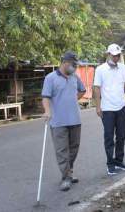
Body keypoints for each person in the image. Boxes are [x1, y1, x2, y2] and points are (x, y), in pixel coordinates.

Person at [42, 52, 86, 191]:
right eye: (73, 65)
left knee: (74, 148)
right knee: (62, 151)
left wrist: (73, 100)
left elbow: (82, 90)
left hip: (75, 119)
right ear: (65, 62)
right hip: (58, 121)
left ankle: (69, 172)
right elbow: (45, 97)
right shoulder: (50, 78)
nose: (75, 67)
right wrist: (47, 111)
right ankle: (66, 177)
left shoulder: (74, 77)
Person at [94, 44, 125, 176]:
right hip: (107, 108)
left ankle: (119, 160)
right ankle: (110, 163)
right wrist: (98, 106)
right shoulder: (100, 69)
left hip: (121, 107)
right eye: (114, 55)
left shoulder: (123, 68)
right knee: (109, 137)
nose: (116, 58)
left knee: (121, 136)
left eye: (118, 55)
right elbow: (96, 88)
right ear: (108, 54)